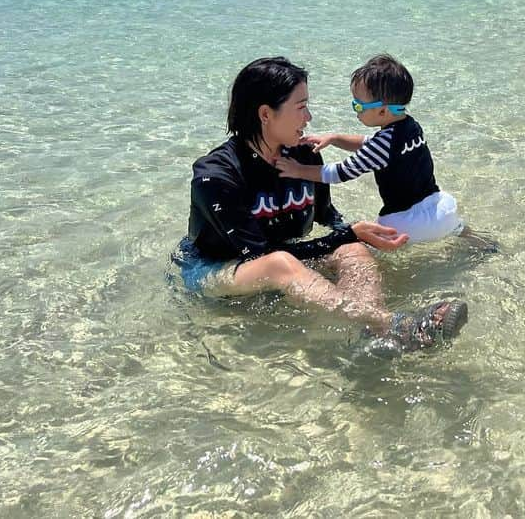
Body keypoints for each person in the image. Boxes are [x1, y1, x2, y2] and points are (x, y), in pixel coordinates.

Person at [173, 56, 467, 353]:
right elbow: (259, 255)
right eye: (301, 107)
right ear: (265, 114)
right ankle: (398, 325)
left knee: (353, 249)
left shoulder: (305, 157)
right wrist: (350, 232)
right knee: (281, 263)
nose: (309, 117)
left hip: (284, 258)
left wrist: (356, 235)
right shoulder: (217, 177)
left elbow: (327, 217)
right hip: (218, 269)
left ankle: (374, 340)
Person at [276, 54, 464, 244]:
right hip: (441, 209)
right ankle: (482, 244)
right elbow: (370, 143)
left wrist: (298, 170)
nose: (355, 110)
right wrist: (334, 138)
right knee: (458, 231)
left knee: (361, 246)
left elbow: (339, 173)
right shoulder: (410, 127)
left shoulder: (382, 145)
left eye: (357, 105)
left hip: (408, 222)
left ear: (382, 111)